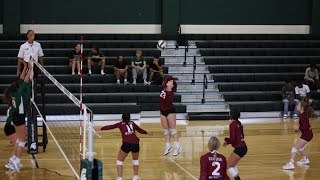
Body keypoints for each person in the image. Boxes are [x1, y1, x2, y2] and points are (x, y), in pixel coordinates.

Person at [95, 112, 152, 180]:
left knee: (120, 161)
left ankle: (119, 177)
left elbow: (110, 127)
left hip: (126, 144)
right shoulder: (132, 123)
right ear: (129, 118)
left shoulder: (120, 124)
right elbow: (139, 130)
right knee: (135, 160)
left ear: (122, 118)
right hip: (135, 144)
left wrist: (100, 128)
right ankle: (135, 176)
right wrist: (147, 132)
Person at [2, 61, 32, 172]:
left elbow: (21, 80)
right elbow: (25, 81)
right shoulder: (19, 93)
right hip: (19, 118)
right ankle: (16, 162)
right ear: (18, 88)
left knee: (19, 142)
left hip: (16, 118)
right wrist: (31, 69)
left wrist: (25, 68)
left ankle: (13, 160)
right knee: (21, 142)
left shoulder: (14, 94)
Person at [282, 99, 313, 170]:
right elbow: (308, 126)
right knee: (300, 147)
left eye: (298, 105)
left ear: (302, 107)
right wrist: (299, 130)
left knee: (295, 148)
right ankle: (305, 159)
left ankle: (291, 164)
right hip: (308, 134)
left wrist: (297, 128)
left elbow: (305, 127)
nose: (297, 106)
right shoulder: (303, 115)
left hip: (306, 135)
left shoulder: (303, 116)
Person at [223, 108, 247, 180]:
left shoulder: (232, 124)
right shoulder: (239, 122)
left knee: (228, 166)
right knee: (232, 165)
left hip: (240, 148)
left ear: (231, 115)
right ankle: (235, 177)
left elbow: (232, 139)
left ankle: (237, 178)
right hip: (243, 147)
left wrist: (226, 141)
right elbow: (242, 135)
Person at [160, 76, 180, 156]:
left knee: (173, 130)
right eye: (169, 81)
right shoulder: (164, 89)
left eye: (171, 82)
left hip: (170, 111)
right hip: (162, 111)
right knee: (166, 131)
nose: (169, 82)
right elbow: (166, 79)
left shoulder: (170, 93)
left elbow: (168, 102)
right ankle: (168, 147)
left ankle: (177, 147)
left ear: (172, 86)